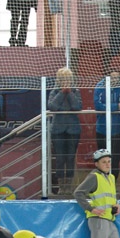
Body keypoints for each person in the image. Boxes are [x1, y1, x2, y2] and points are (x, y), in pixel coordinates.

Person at [46, 67, 81, 196]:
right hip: (58, 129)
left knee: (71, 158)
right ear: (59, 80)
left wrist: (69, 93)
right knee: (60, 159)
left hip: (73, 129)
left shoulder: (76, 91)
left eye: (68, 79)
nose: (66, 81)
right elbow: (52, 107)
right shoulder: (54, 92)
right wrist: (62, 93)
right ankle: (61, 186)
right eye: (63, 79)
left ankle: (69, 186)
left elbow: (77, 107)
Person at [93, 71, 120, 179]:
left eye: (116, 78)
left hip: (117, 129)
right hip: (102, 128)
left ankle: (113, 182)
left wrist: (113, 106)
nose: (114, 80)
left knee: (115, 157)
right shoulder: (99, 87)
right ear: (107, 78)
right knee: (102, 158)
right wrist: (115, 107)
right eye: (112, 78)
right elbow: (98, 106)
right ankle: (102, 181)